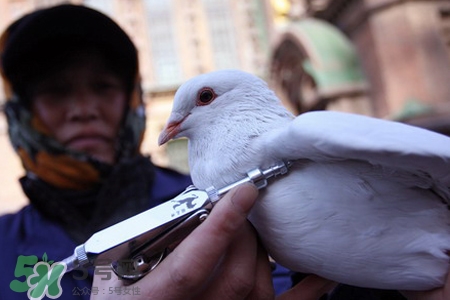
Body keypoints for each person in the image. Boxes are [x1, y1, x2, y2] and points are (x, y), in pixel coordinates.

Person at [0, 4, 447, 300]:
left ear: (131, 100)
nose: (82, 110)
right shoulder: (4, 243)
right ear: (21, 113)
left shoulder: (219, 204)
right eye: (56, 92)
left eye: (102, 87)